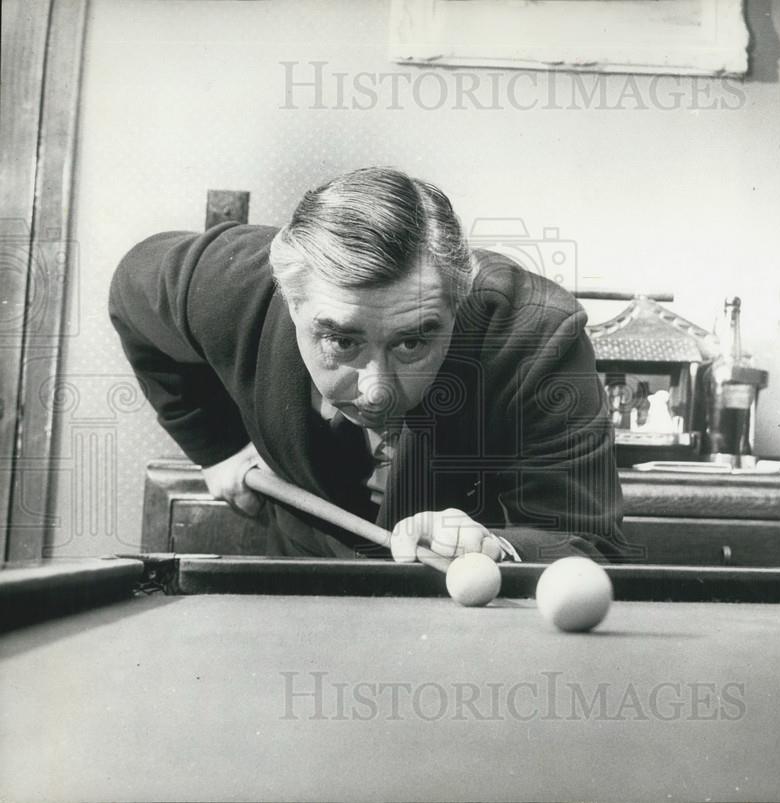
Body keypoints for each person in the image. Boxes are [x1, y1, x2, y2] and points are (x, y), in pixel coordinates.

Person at [110, 167, 624, 563]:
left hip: (469, 610)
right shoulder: (230, 286)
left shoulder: (537, 335)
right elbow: (132, 283)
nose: (377, 393)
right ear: (290, 301)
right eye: (341, 341)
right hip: (307, 565)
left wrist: (495, 545)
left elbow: (587, 543)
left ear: (458, 301)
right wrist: (215, 446)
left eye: (412, 344)